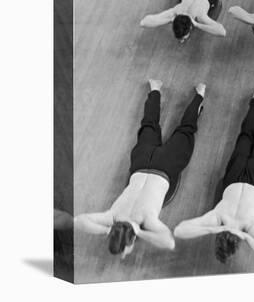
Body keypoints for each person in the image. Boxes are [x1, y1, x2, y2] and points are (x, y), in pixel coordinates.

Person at [74, 80, 206, 257]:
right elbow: (77, 220)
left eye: (125, 251)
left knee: (186, 130)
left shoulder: (144, 221)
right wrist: (109, 230)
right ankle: (155, 88)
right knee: (149, 125)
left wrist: (139, 231)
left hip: (165, 167)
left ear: (129, 241)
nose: (124, 255)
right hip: (142, 161)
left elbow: (169, 242)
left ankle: (200, 94)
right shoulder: (112, 217)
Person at [174, 81, 254, 267]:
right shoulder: (249, 228)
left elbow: (179, 230)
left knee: (246, 134)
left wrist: (211, 229)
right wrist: (245, 235)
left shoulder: (217, 218)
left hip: (235, 175)